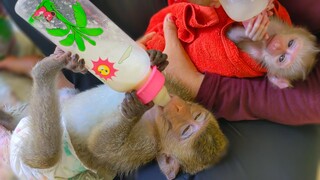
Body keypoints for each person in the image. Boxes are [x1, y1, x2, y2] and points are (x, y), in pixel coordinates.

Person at [1, 0, 319, 179]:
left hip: (51, 148)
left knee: (41, 152)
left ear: (168, 161)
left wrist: (129, 116)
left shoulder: (146, 142)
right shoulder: (177, 98)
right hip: (72, 102)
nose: (180, 109)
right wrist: (152, 57)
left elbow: (102, 145)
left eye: (184, 131)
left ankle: (38, 76)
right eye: (196, 115)